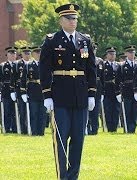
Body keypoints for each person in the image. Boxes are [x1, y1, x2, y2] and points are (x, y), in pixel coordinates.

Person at [39, 3, 96, 179]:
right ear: (61, 20)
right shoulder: (52, 41)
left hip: (80, 96)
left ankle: (73, 176)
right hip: (60, 96)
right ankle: (62, 176)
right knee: (61, 140)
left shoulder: (84, 40)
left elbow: (91, 69)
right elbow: (44, 69)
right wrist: (47, 94)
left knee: (78, 140)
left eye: (75, 18)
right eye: (69, 19)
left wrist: (92, 93)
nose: (73, 22)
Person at [21, 46, 47, 135]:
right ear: (33, 54)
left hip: (43, 92)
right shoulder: (28, 65)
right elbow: (23, 80)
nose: (38, 54)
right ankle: (34, 131)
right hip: (33, 92)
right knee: (34, 113)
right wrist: (23, 92)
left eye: (40, 52)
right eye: (36, 53)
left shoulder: (45, 64)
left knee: (43, 114)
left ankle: (41, 132)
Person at [115, 45, 137, 133]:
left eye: (133, 53)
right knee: (127, 110)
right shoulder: (122, 66)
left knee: (135, 111)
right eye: (130, 53)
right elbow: (118, 80)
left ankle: (133, 127)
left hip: (135, 91)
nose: (132, 54)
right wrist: (118, 93)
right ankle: (127, 128)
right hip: (126, 90)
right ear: (126, 54)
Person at [101, 47, 120, 132]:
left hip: (116, 90)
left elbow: (120, 78)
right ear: (107, 55)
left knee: (116, 109)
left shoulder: (118, 65)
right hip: (107, 90)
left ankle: (114, 127)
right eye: (110, 54)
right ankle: (109, 127)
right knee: (107, 109)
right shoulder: (104, 65)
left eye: (114, 54)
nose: (112, 56)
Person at [0, 46, 18, 133]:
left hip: (17, 91)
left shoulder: (19, 65)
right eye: (10, 53)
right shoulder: (3, 66)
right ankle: (7, 128)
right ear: (7, 55)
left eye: (14, 53)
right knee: (7, 111)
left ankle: (15, 128)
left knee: (16, 111)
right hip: (6, 91)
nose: (12, 55)